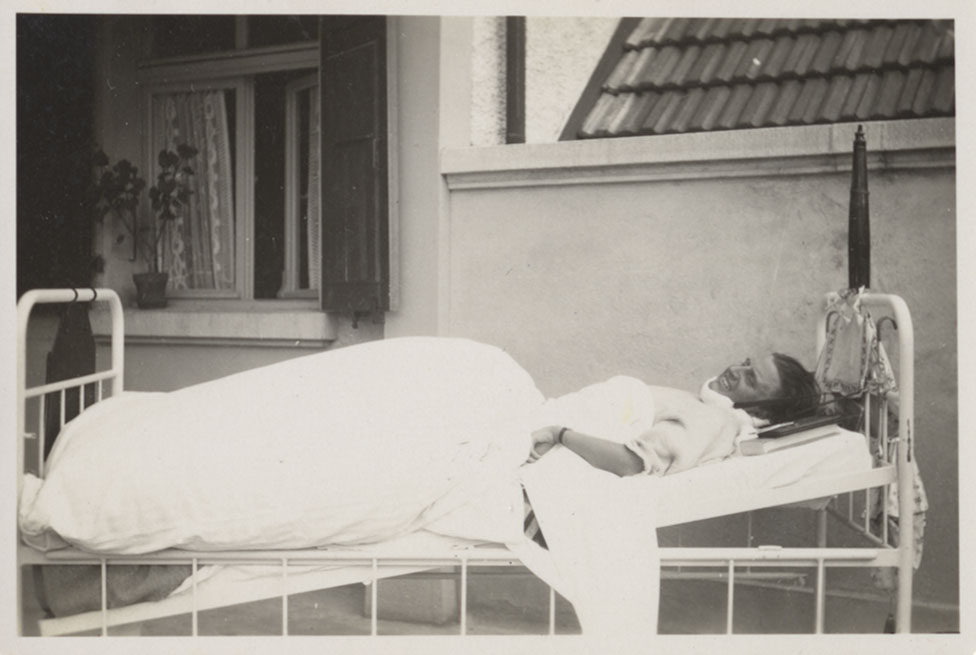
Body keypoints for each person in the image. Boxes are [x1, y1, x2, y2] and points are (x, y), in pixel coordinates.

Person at [527, 352, 820, 477]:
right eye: (745, 363)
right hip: (545, 418)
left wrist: (559, 434)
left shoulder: (715, 420)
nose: (735, 370)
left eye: (751, 379)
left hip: (544, 432)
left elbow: (631, 462)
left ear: (761, 410)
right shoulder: (704, 407)